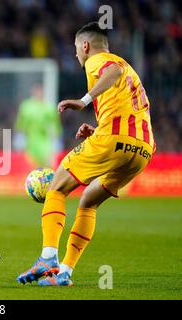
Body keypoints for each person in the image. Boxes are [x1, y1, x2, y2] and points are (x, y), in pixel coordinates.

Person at [17, 22, 155, 286]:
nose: (77, 56)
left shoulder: (100, 61)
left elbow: (111, 71)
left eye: (76, 50)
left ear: (85, 45)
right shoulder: (128, 68)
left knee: (56, 187)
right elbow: (126, 107)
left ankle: (48, 258)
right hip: (142, 149)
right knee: (89, 201)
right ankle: (65, 273)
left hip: (114, 139)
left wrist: (83, 100)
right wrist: (98, 131)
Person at [14, 84, 62, 167]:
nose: (39, 93)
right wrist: (19, 139)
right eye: (37, 91)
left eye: (41, 91)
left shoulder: (49, 107)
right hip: (30, 143)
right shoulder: (26, 107)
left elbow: (55, 125)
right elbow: (20, 124)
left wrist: (56, 141)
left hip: (46, 143)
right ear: (33, 92)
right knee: (29, 168)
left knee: (47, 169)